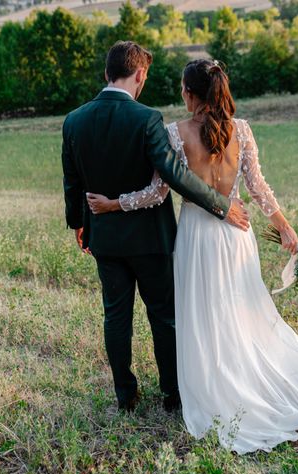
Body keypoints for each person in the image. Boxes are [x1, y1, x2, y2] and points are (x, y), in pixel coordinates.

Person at [86, 58, 298, 454]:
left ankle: (217, 384)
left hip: (196, 236)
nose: (181, 94)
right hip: (237, 234)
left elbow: (157, 194)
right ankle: (246, 376)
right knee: (240, 314)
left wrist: (114, 204)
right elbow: (258, 187)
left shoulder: (173, 133)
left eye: (183, 88)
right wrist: (283, 224)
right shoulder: (242, 130)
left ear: (191, 94)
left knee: (203, 315)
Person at [61, 42, 250, 414]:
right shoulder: (147, 118)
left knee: (116, 316)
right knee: (164, 315)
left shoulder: (74, 120)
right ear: (140, 75)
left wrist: (79, 225)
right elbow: (174, 176)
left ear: (106, 73)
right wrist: (222, 205)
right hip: (151, 239)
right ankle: (173, 394)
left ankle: (126, 396)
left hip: (105, 237)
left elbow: (72, 181)